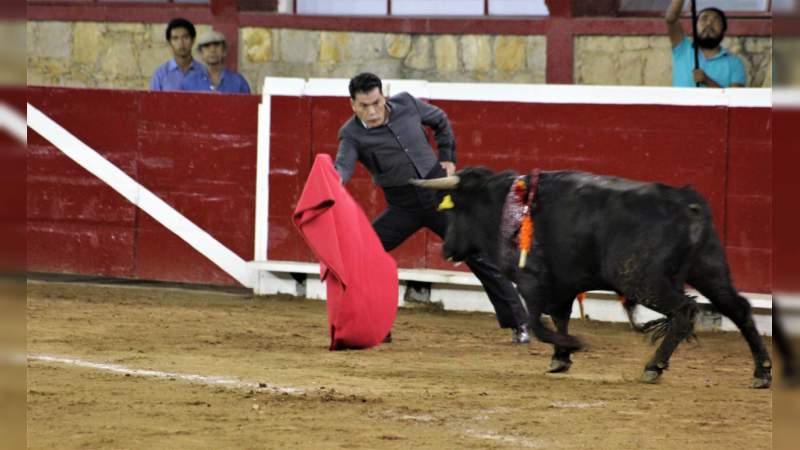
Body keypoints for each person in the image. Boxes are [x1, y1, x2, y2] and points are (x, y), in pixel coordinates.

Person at [334, 72, 530, 344]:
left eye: (376, 103)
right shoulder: (351, 134)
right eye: (364, 106)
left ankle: (519, 322)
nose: (373, 111)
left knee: (480, 255)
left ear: (384, 96)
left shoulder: (407, 104)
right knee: (363, 255)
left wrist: (448, 157)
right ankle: (376, 323)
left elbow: (440, 120)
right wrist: (334, 183)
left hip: (440, 197)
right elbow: (342, 166)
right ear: (352, 105)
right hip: (402, 206)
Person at [666, 0, 746, 88]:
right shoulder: (683, 48)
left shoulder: (734, 63)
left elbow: (734, 99)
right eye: (704, 19)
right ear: (694, 27)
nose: (709, 24)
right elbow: (671, 19)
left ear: (724, 30)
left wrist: (708, 81)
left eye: (716, 20)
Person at [181, 30, 251, 94]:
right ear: (201, 53)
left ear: (224, 51)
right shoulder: (189, 82)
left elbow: (248, 106)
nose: (212, 50)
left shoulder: (238, 82)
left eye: (217, 45)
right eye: (207, 46)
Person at [150, 18, 203, 91]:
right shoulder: (161, 74)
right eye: (175, 38)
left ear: (193, 40)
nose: (181, 43)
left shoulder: (203, 72)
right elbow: (154, 101)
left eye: (185, 37)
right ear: (169, 42)